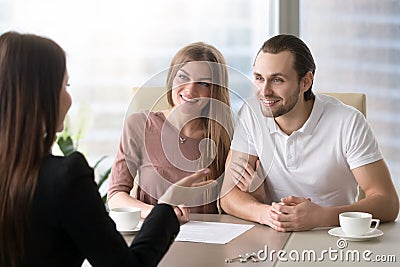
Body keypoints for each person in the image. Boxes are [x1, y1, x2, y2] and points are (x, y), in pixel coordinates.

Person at [0, 31, 216, 267]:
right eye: (65, 85)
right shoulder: (66, 178)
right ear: (41, 96)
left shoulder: (222, 135)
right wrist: (166, 203)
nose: (70, 98)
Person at [220, 34, 399, 232]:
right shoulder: (251, 114)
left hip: (332, 237)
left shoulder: (347, 122)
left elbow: (388, 202)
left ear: (306, 82)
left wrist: (321, 216)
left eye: (277, 80)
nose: (264, 91)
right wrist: (267, 214)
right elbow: (228, 195)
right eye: (259, 78)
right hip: (272, 236)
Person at [107, 42, 233, 218]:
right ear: (171, 79)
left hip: (206, 239)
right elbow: (116, 197)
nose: (190, 90)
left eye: (203, 83)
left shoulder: (225, 136)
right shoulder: (140, 124)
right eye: (183, 77)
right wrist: (161, 214)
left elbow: (233, 202)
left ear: (215, 91)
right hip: (154, 234)